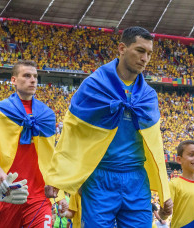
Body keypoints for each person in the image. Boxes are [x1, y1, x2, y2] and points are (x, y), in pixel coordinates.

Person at [45, 26, 173, 227]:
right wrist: (57, 178)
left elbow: (156, 146)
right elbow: (71, 132)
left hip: (137, 179)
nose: (145, 58)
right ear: (122, 48)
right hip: (99, 177)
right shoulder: (93, 85)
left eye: (149, 53)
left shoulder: (148, 96)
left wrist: (165, 191)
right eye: (140, 50)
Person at [0, 60, 65, 228]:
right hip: (7, 191)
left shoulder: (47, 115)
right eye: (27, 76)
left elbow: (52, 155)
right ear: (14, 80)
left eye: (35, 76)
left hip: (39, 195)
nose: (33, 80)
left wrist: (60, 191)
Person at [159, 140, 194, 228]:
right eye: (191, 155)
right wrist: (164, 211)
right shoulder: (173, 185)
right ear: (179, 159)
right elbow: (163, 216)